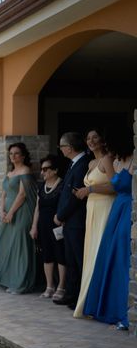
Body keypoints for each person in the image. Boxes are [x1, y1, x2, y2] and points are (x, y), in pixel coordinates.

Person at [84, 134, 134, 329]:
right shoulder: (117, 163)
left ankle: (124, 312)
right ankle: (109, 307)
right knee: (111, 255)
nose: (107, 149)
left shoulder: (132, 161)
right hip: (117, 209)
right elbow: (114, 184)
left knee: (123, 256)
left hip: (129, 207)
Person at [71, 130, 116, 318]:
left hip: (105, 207)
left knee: (99, 251)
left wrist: (90, 189)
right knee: (90, 253)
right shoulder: (90, 163)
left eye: (95, 137)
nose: (91, 141)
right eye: (88, 138)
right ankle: (88, 301)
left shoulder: (107, 159)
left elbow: (116, 186)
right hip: (92, 209)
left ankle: (100, 303)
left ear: (103, 140)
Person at [0, 143, 38, 293]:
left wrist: (11, 213)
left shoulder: (25, 171)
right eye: (11, 154)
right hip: (8, 212)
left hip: (21, 212)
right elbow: (4, 193)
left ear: (23, 156)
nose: (13, 156)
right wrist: (1, 210)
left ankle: (20, 282)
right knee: (5, 243)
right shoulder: (10, 173)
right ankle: (5, 278)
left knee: (19, 245)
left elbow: (22, 195)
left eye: (16, 153)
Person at [53, 132, 90, 309]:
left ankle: (79, 298)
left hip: (76, 221)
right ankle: (71, 294)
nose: (60, 149)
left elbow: (76, 196)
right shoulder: (73, 164)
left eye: (61, 146)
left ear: (70, 147)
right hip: (69, 221)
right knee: (70, 259)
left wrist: (61, 215)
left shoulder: (82, 164)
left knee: (78, 259)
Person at [30, 154, 66, 299]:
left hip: (58, 227)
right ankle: (49, 286)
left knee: (61, 256)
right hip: (43, 226)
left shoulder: (62, 185)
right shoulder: (40, 187)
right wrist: (34, 227)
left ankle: (61, 287)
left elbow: (64, 206)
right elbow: (37, 208)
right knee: (47, 256)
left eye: (45, 169)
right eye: (42, 169)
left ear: (55, 170)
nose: (42, 172)